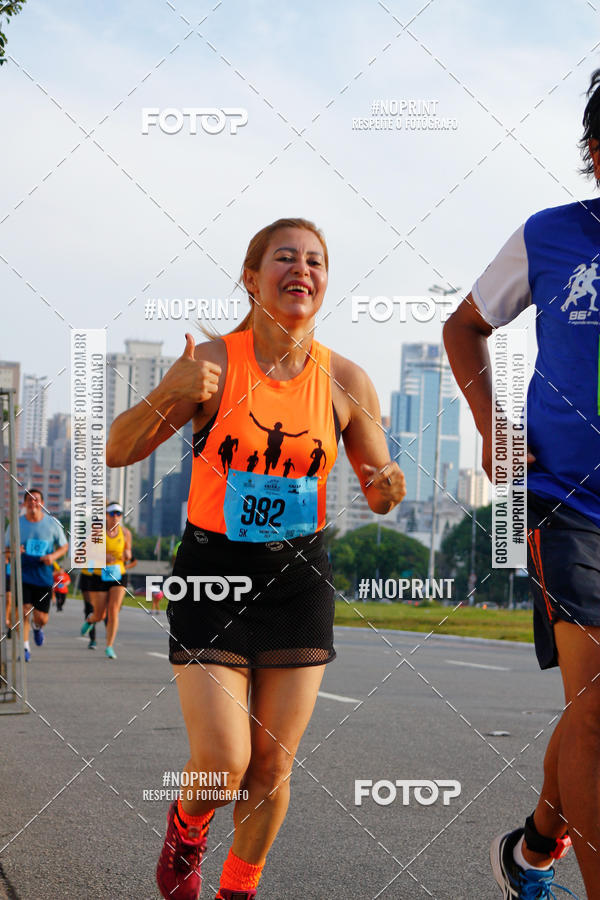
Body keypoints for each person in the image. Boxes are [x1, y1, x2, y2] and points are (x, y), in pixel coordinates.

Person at [106, 217, 406, 900]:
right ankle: (187, 828)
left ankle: (237, 889)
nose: (302, 270)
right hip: (213, 576)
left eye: (316, 262)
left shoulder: (346, 380)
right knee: (222, 762)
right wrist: (175, 387)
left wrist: (389, 484)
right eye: (285, 258)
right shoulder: (213, 362)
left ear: (325, 282)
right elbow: (117, 450)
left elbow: (379, 483)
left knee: (270, 767)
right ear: (251, 276)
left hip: (299, 583)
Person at [443, 70, 600, 900]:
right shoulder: (550, 236)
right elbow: (464, 326)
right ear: (595, 154)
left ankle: (538, 841)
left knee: (593, 717)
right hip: (571, 502)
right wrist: (492, 423)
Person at [4, 489, 68, 661]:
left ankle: (38, 628)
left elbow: (64, 546)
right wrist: (14, 550)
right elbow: (6, 549)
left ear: (42, 504)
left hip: (43, 575)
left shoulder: (52, 524)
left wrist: (53, 556)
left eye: (36, 500)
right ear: (24, 504)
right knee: (24, 611)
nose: (33, 503)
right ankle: (25, 647)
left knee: (42, 617)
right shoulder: (16, 524)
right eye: (29, 500)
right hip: (22, 574)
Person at [80, 502, 132, 659]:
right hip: (98, 575)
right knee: (100, 614)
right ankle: (91, 619)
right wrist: (102, 557)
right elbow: (83, 553)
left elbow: (128, 550)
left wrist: (128, 554)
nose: (115, 516)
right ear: (106, 516)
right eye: (112, 513)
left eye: (118, 513)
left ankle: (109, 646)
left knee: (113, 610)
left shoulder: (125, 532)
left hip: (118, 574)